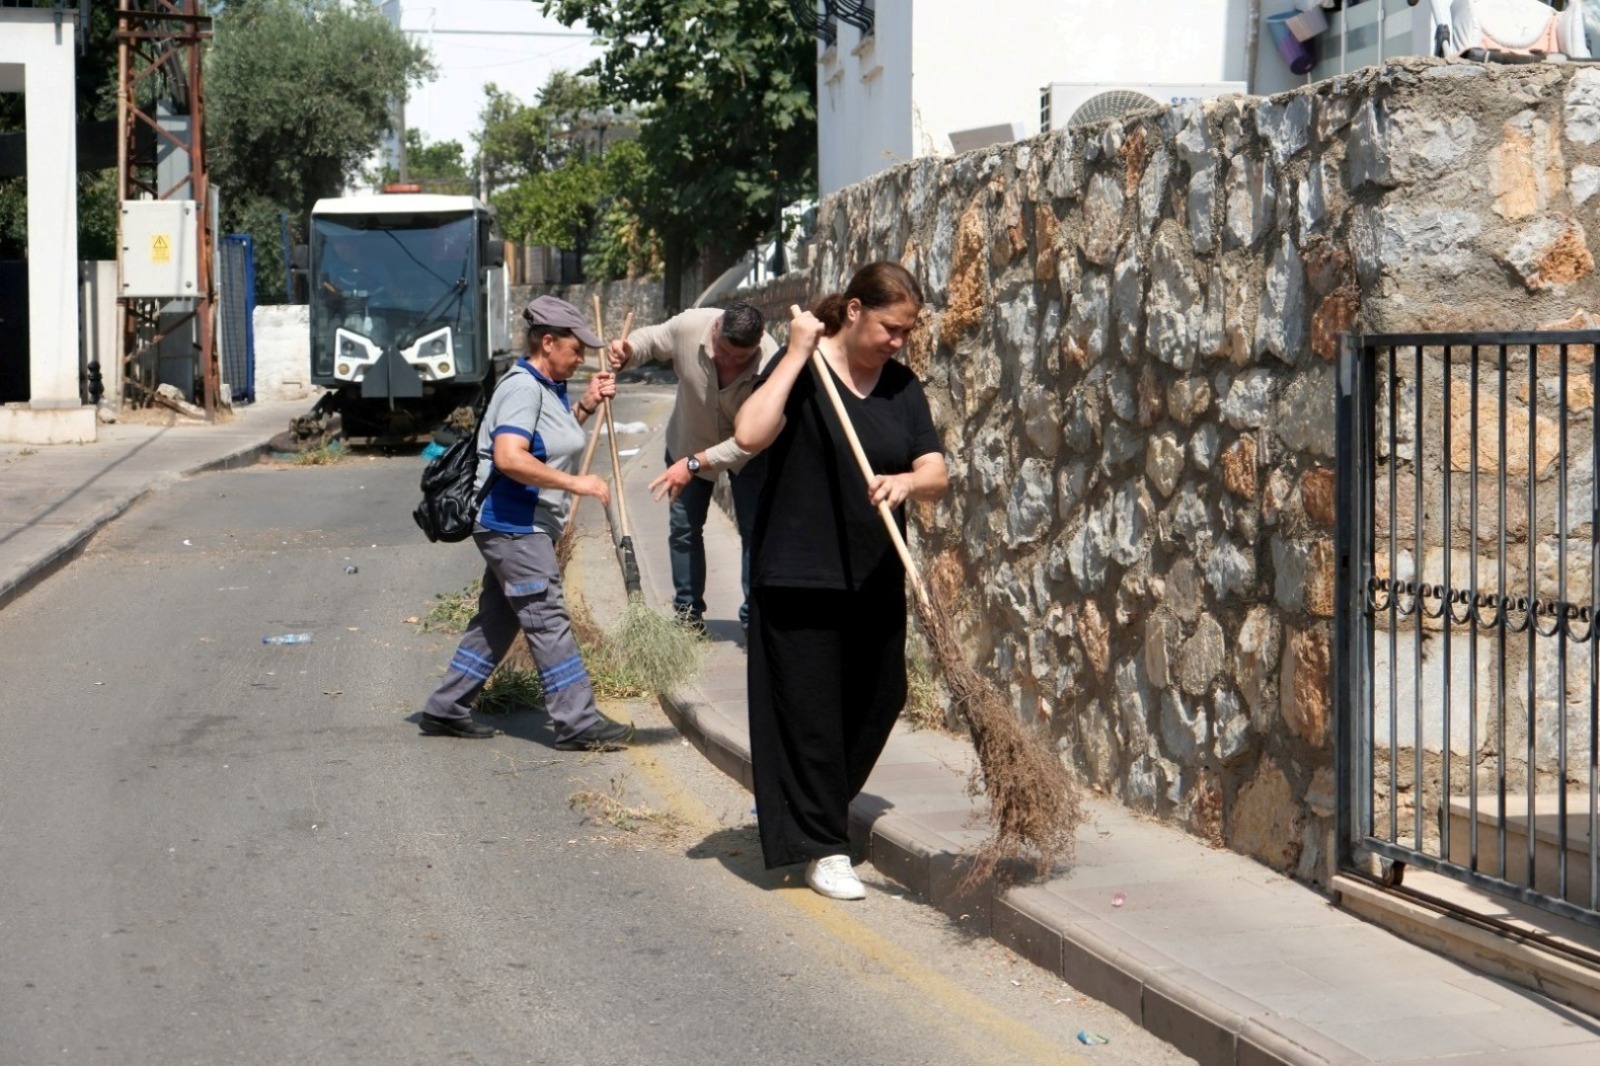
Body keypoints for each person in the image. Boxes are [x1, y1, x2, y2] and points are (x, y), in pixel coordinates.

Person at [732, 262, 950, 900]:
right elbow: (748, 434)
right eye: (890, 328)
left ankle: (811, 805)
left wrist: (907, 482)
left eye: (908, 331)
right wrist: (797, 354)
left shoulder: (902, 388)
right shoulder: (805, 372)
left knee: (882, 696)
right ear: (854, 311)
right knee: (812, 713)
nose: (899, 342)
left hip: (876, 572)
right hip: (799, 574)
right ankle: (823, 845)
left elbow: (935, 470)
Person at [418, 295, 636, 751]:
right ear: (548, 342)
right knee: (548, 618)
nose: (580, 359)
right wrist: (577, 485)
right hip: (515, 526)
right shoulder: (521, 388)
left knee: (498, 621)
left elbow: (547, 444)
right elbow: (509, 456)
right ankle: (577, 721)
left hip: (520, 526)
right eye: (576, 350)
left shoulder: (548, 388)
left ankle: (445, 708)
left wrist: (588, 404)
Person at [606, 303, 778, 634]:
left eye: (740, 359)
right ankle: (688, 616)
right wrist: (627, 351)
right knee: (684, 529)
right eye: (723, 352)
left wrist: (697, 462)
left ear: (757, 346)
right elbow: (651, 341)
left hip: (747, 454)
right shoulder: (690, 326)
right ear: (716, 327)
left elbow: (750, 441)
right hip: (689, 440)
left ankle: (754, 618)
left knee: (755, 533)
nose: (728, 362)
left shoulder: (771, 360)